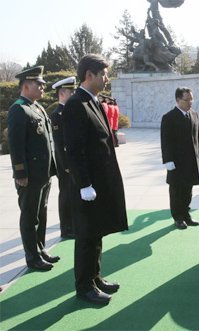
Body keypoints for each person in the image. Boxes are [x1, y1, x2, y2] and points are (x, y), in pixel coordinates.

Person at [62, 54, 128, 305]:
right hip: (87, 185)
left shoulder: (93, 101)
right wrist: (84, 184)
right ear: (89, 75)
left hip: (100, 181)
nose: (106, 78)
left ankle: (95, 276)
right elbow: (74, 150)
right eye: (103, 74)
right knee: (87, 236)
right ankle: (84, 286)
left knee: (97, 232)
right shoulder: (76, 105)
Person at [7, 66, 59, 271]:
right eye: (39, 84)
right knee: (30, 216)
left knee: (42, 213)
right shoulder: (18, 109)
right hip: (29, 176)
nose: (43, 87)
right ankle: (32, 256)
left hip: (43, 173)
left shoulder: (37, 107)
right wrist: (20, 173)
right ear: (26, 86)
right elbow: (16, 145)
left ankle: (40, 248)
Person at [161, 87, 199, 230]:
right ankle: (178, 217)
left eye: (192, 98)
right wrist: (168, 160)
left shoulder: (194, 114)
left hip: (191, 160)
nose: (190, 102)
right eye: (187, 99)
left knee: (188, 189)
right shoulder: (169, 117)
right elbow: (165, 141)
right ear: (178, 100)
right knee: (176, 190)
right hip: (176, 162)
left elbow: (197, 136)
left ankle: (186, 215)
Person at [50, 77, 77, 239]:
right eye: (71, 91)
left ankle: (72, 224)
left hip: (71, 161)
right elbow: (59, 144)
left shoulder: (68, 111)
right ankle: (66, 228)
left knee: (71, 193)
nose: (73, 93)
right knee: (66, 194)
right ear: (62, 93)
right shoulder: (57, 114)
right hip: (64, 163)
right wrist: (66, 164)